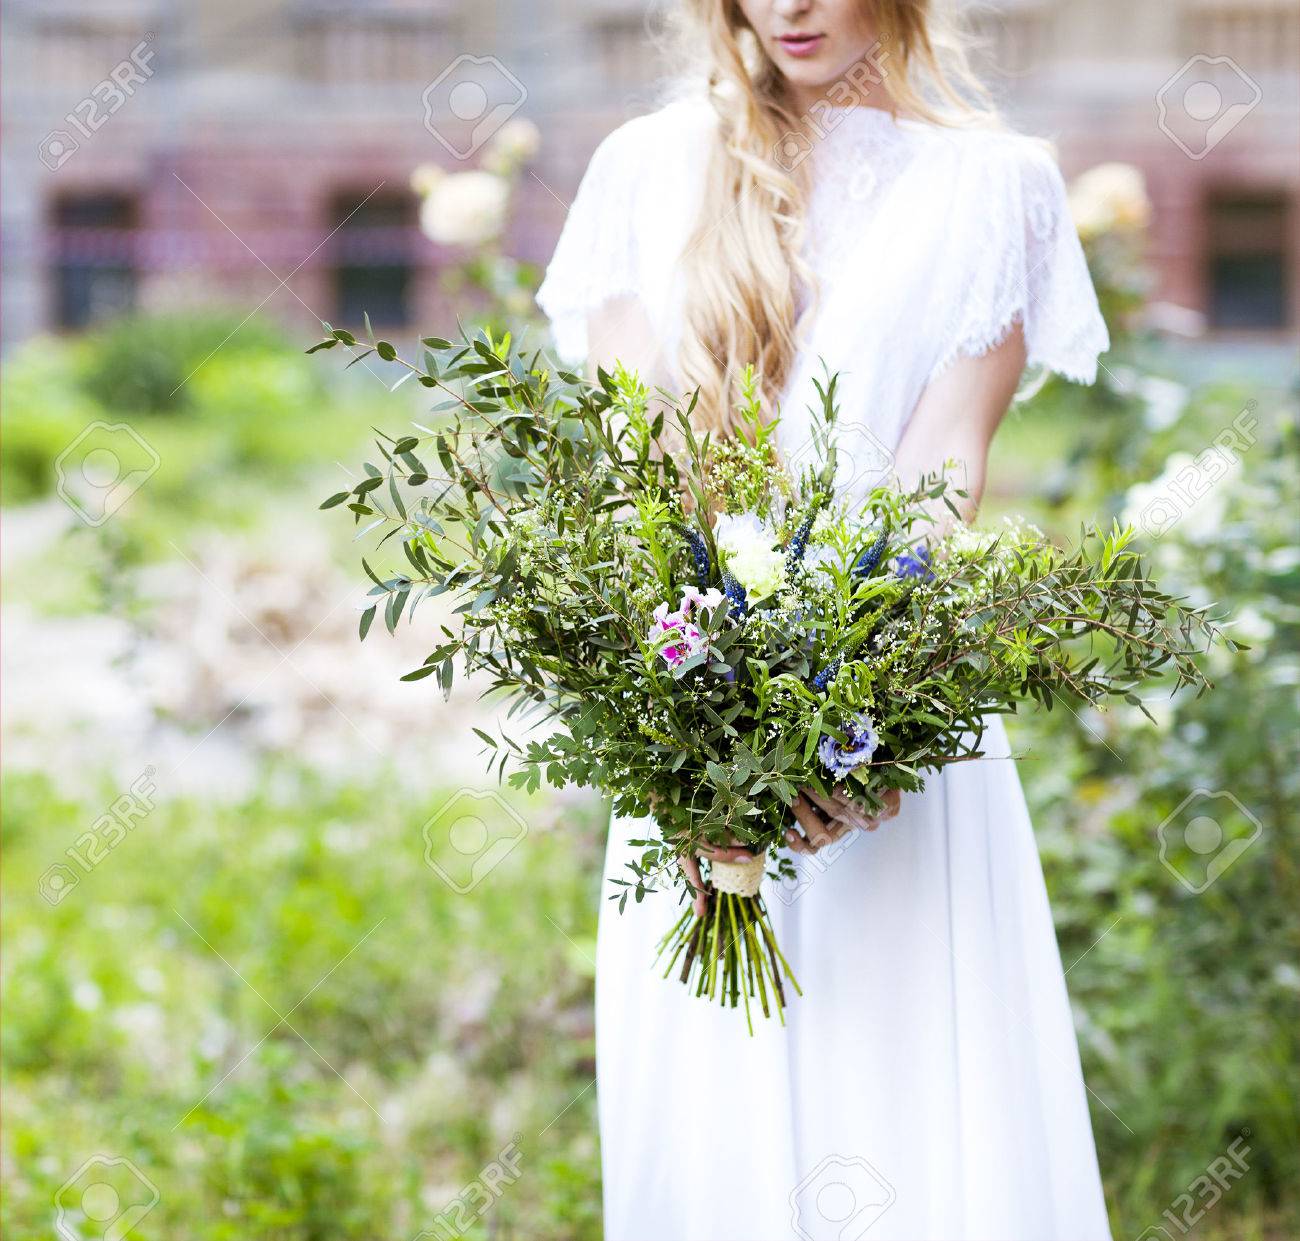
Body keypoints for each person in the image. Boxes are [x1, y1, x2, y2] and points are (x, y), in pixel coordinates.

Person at [537, 1, 1112, 1237]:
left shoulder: (994, 186)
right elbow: (638, 478)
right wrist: (695, 733)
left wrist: (859, 710)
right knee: (713, 1120)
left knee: (909, 1103)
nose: (787, 6)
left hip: (889, 745)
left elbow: (943, 473)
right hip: (687, 728)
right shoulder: (644, 169)